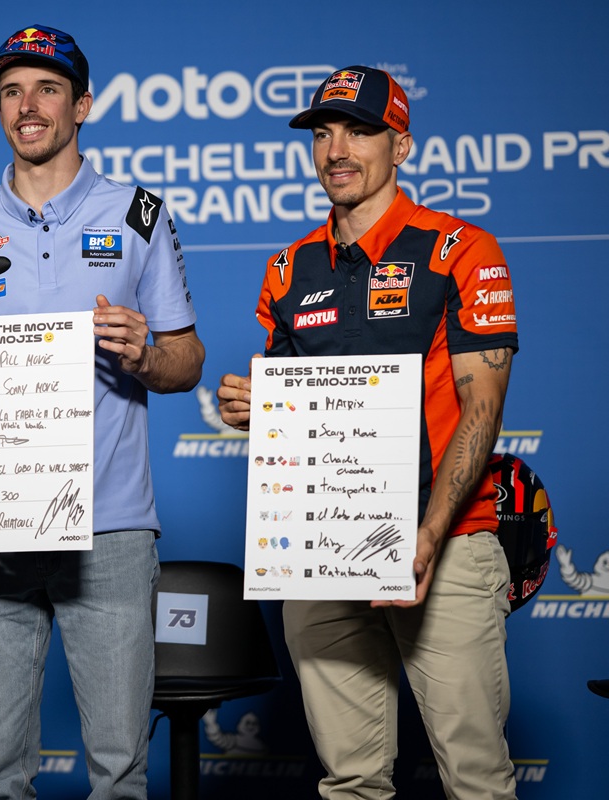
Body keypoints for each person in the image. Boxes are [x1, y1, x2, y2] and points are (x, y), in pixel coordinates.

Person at [0, 25, 204, 800]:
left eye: (47, 88)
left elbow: (188, 360)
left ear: (82, 105)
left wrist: (145, 355)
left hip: (110, 528)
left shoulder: (140, 214)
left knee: (119, 773)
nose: (28, 106)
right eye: (11, 91)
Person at [216, 65, 518, 799]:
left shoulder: (460, 249)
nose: (337, 150)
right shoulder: (288, 268)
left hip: (444, 542)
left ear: (400, 147)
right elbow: (301, 418)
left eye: (359, 132)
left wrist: (429, 534)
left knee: (476, 779)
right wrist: (258, 409)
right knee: (350, 780)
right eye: (323, 134)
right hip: (321, 553)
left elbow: (482, 408)